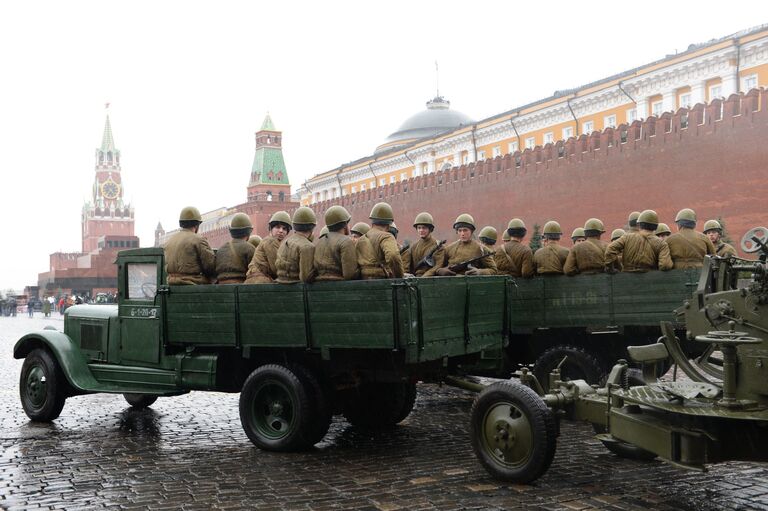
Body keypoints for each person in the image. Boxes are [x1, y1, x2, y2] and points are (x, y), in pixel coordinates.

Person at [605, 209, 673, 272]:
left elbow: (610, 250)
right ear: (656, 226)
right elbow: (665, 265)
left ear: (639, 224)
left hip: (626, 279)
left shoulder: (627, 237)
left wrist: (611, 268)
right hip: (650, 280)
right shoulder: (661, 244)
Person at [164, 206, 216, 285]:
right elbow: (210, 266)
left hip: (171, 283)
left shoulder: (169, 241)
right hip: (193, 284)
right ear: (197, 225)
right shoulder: (198, 239)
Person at [358, 202, 404, 279]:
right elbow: (393, 256)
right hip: (382, 281)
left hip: (363, 281)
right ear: (389, 225)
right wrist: (399, 276)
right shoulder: (387, 236)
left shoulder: (361, 239)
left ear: (372, 223)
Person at [245, 211, 291, 284]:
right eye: (277, 227)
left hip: (257, 281)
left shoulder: (273, 242)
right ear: (271, 228)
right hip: (260, 282)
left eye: (284, 229)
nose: (281, 231)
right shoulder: (271, 241)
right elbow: (276, 268)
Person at [313, 206, 358, 281]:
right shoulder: (346, 241)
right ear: (345, 225)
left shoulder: (319, 242)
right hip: (340, 288)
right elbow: (350, 274)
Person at [276, 207, 317, 283]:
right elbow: (306, 277)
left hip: (280, 285)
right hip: (297, 289)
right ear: (312, 227)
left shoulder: (284, 242)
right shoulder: (307, 246)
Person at [215, 213, 256, 284]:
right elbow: (255, 271)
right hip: (241, 287)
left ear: (232, 231)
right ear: (248, 232)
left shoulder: (221, 249)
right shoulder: (249, 248)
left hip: (221, 287)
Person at [401, 212, 445, 277]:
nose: (421, 230)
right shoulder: (414, 246)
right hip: (415, 279)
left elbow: (438, 266)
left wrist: (424, 277)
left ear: (430, 229)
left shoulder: (438, 246)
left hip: (430, 279)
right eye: (419, 228)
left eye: (424, 228)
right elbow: (409, 267)